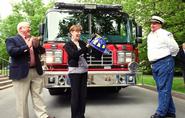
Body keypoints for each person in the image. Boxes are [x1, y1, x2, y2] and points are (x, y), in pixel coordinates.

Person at [5, 22, 55, 118]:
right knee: (22, 99)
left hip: (36, 71)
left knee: (38, 95)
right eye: (28, 27)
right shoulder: (11, 40)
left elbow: (42, 51)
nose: (30, 29)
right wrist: (27, 46)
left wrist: (37, 46)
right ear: (20, 29)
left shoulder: (32, 39)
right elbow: (12, 52)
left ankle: (43, 116)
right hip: (21, 73)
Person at [147, 16, 179, 118]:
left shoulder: (165, 34)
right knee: (162, 88)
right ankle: (170, 112)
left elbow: (175, 48)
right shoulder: (149, 35)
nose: (152, 25)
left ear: (160, 24)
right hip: (154, 64)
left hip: (165, 62)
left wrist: (168, 58)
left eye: (155, 23)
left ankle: (160, 113)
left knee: (163, 88)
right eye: (151, 23)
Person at [64, 24, 90, 118]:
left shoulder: (82, 43)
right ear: (71, 32)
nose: (78, 33)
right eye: (76, 31)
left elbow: (88, 52)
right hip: (74, 72)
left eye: (79, 31)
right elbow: (74, 55)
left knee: (83, 95)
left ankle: (81, 115)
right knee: (75, 95)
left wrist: (93, 47)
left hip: (84, 71)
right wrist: (85, 48)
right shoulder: (67, 45)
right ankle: (75, 116)